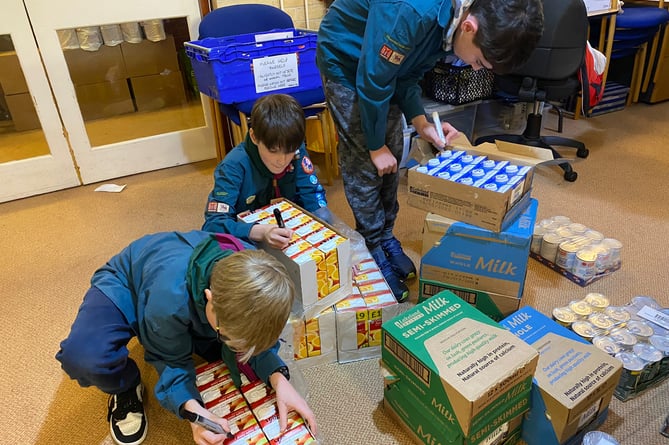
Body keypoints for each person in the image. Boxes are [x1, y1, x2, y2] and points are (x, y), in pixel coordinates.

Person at [316, 0, 544, 302]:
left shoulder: (451, 22)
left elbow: (406, 74)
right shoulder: (413, 11)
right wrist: (374, 145)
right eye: (478, 61)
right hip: (348, 60)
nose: (473, 67)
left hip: (382, 68)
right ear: (469, 26)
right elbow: (373, 80)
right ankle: (370, 246)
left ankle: (385, 236)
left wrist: (421, 122)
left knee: (393, 156)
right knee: (365, 162)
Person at [56, 231, 317, 445]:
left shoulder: (254, 273)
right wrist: (192, 412)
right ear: (210, 300)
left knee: (226, 356)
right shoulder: (169, 302)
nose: (237, 345)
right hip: (128, 282)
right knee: (84, 357)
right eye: (226, 334)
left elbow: (256, 335)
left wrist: (278, 378)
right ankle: (126, 386)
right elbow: (169, 359)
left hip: (181, 280)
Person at [203, 94, 329, 250]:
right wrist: (257, 231)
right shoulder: (233, 166)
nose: (282, 160)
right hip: (248, 242)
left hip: (289, 234)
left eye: (289, 151)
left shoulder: (296, 149)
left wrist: (325, 230)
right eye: (273, 151)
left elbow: (312, 195)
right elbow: (213, 225)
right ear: (254, 137)